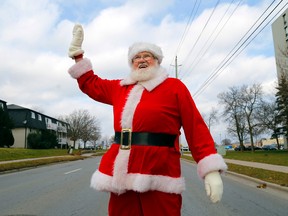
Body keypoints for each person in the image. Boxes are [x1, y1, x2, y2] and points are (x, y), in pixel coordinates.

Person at [68, 24, 227, 216]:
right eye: (136, 57)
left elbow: (196, 127)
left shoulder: (174, 87)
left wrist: (210, 170)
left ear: (157, 61)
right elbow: (91, 84)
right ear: (131, 63)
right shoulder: (120, 88)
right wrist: (78, 55)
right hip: (122, 172)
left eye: (147, 56)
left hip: (159, 170)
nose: (141, 60)